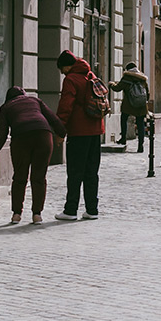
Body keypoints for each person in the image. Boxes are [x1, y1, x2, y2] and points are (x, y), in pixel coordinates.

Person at [0, 86, 65, 224]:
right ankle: (37, 215)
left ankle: (16, 214)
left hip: (21, 138)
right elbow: (54, 119)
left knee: (20, 177)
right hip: (43, 135)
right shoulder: (35, 100)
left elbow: (2, 134)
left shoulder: (6, 107)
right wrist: (61, 134)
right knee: (39, 177)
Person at [55, 50, 104, 220]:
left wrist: (60, 130)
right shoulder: (90, 75)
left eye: (62, 68)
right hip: (96, 130)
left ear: (67, 66)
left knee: (75, 172)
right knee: (92, 171)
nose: (62, 72)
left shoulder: (71, 79)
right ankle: (92, 210)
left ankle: (70, 210)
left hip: (78, 131)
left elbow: (65, 107)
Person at [110, 62, 150, 150]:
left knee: (124, 118)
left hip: (128, 105)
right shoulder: (142, 78)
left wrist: (111, 84)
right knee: (140, 125)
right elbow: (147, 93)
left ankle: (123, 138)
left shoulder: (127, 78)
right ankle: (140, 145)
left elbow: (117, 88)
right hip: (141, 106)